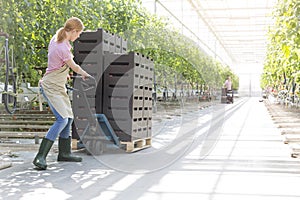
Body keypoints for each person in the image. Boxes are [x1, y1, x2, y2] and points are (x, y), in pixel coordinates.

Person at [33, 17, 90, 170]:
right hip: (51, 86)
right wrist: (85, 74)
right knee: (62, 119)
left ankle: (64, 153)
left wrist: (63, 72)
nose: (78, 37)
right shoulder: (62, 47)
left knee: (69, 117)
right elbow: (74, 67)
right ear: (72, 31)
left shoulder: (59, 36)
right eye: (78, 34)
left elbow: (57, 63)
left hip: (58, 86)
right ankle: (40, 156)